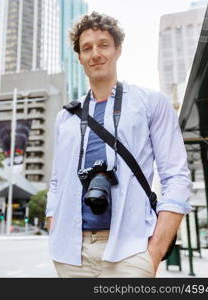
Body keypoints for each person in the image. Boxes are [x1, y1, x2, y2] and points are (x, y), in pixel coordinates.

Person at [45, 11, 192, 278]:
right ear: (79, 57)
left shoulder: (151, 103)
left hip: (131, 250)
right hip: (70, 254)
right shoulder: (65, 117)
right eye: (87, 48)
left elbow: (177, 177)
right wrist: (53, 223)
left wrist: (155, 252)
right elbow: (57, 182)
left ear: (118, 50)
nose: (95, 54)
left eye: (103, 45)